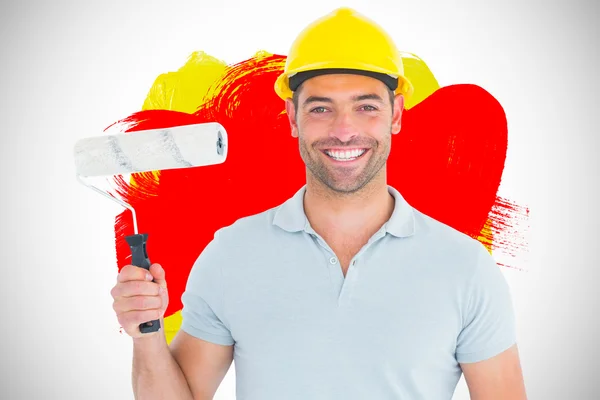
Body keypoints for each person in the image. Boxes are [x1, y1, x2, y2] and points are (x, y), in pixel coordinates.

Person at [110, 7, 527, 400]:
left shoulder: (465, 267)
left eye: (365, 107)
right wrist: (146, 335)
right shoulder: (230, 254)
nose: (344, 130)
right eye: (321, 108)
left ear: (396, 115)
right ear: (292, 118)